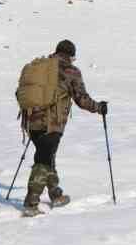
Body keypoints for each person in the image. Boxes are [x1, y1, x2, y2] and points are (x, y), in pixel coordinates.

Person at [16, 39, 106, 217]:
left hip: (31, 121)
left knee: (47, 154)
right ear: (71, 56)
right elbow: (82, 99)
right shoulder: (70, 71)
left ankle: (55, 193)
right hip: (51, 123)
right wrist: (99, 108)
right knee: (43, 159)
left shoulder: (42, 67)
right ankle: (31, 203)